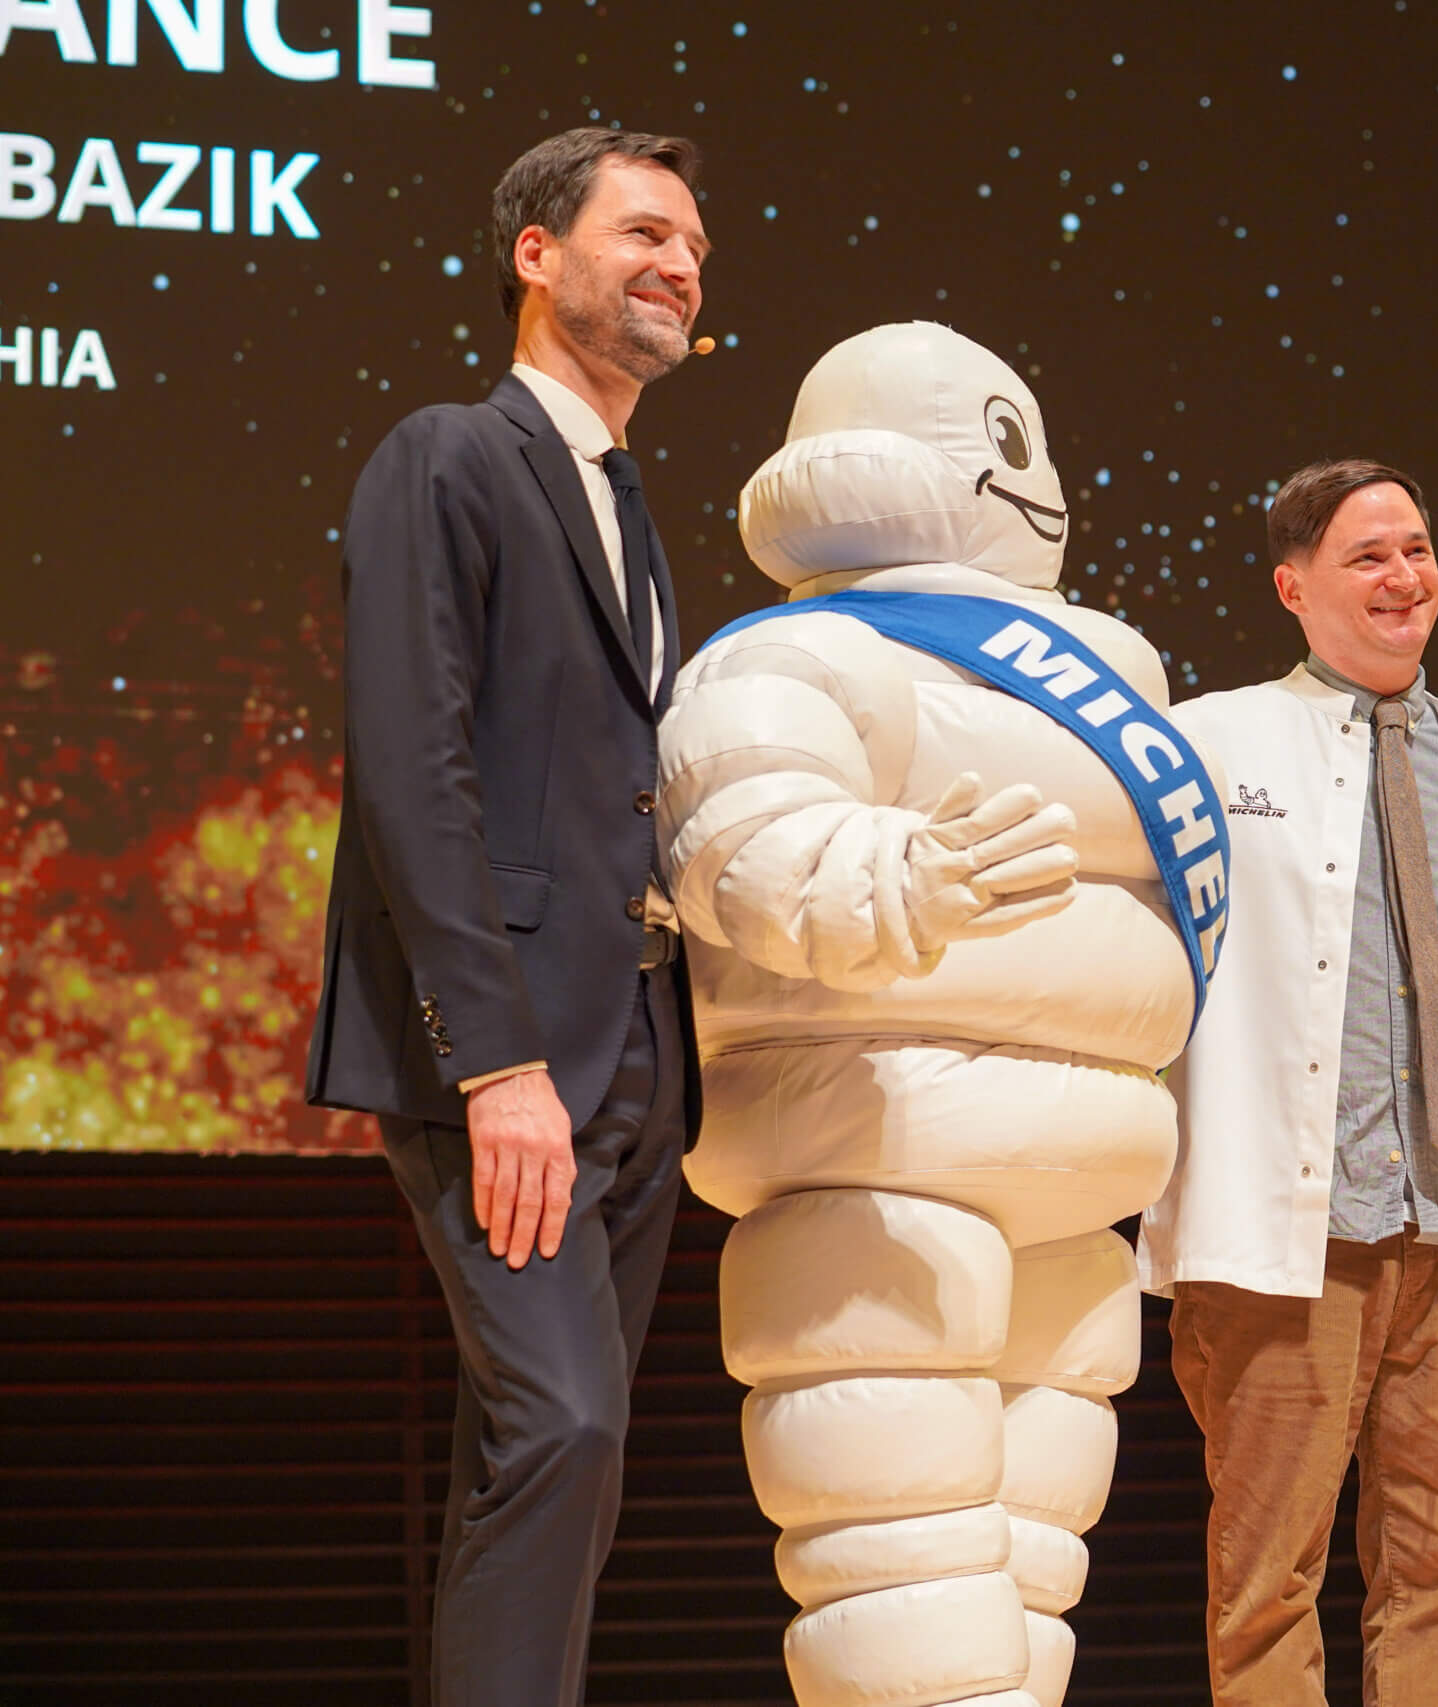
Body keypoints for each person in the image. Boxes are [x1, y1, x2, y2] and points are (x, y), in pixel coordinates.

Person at [657, 323, 1196, 1707]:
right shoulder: (805, 657)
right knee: (898, 1574)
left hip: (1080, 1173)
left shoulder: (1114, 681)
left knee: (1025, 1582)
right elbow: (741, 834)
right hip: (876, 1154)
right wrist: (899, 874)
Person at [303, 129, 710, 1706]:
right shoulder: (449, 455)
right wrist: (495, 1063)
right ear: (536, 255)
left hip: (637, 1054)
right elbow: (415, 771)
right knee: (567, 1425)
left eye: (695, 248)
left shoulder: (627, 499)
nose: (679, 264)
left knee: (553, 1465)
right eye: (645, 231)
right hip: (516, 1057)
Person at [1145, 459, 1438, 1704]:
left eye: (1415, 548)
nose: (1404, 577)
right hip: (1284, 1237)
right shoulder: (1206, 741)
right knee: (1267, 1575)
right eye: (1368, 557)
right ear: (1294, 586)